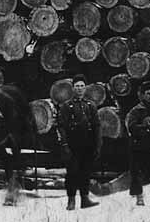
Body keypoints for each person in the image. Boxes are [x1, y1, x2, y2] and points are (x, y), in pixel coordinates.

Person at [56, 74, 102, 210]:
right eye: (77, 86)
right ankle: (71, 200)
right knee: (72, 172)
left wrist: (98, 144)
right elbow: (61, 126)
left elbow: (97, 126)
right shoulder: (66, 106)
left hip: (87, 144)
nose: (80, 89)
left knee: (85, 172)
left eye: (82, 86)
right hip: (72, 144)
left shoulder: (90, 105)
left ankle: (85, 199)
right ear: (73, 88)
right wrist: (64, 145)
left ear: (85, 88)